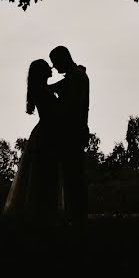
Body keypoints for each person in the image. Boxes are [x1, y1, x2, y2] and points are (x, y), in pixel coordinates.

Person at [3, 59, 63, 221]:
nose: (51, 68)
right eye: (47, 68)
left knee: (39, 174)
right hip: (47, 133)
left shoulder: (40, 89)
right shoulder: (43, 91)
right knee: (44, 173)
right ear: (42, 72)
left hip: (43, 131)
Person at [48, 45, 89, 224]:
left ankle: (76, 214)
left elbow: (68, 104)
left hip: (72, 133)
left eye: (55, 63)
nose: (55, 68)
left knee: (73, 175)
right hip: (74, 132)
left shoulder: (76, 78)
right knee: (72, 174)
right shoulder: (77, 76)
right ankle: (75, 213)